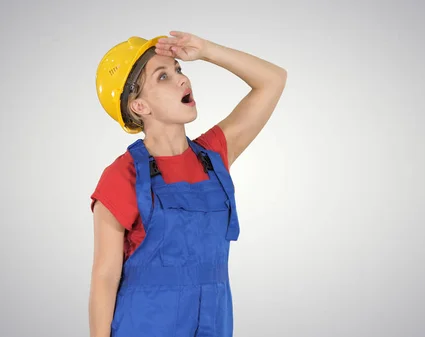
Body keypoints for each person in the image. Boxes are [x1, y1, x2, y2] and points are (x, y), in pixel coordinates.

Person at [88, 31, 287, 337]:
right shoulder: (123, 175)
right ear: (139, 106)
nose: (183, 80)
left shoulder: (214, 156)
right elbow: (105, 276)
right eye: (163, 76)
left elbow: (273, 79)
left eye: (179, 70)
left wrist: (207, 50)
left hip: (213, 325)